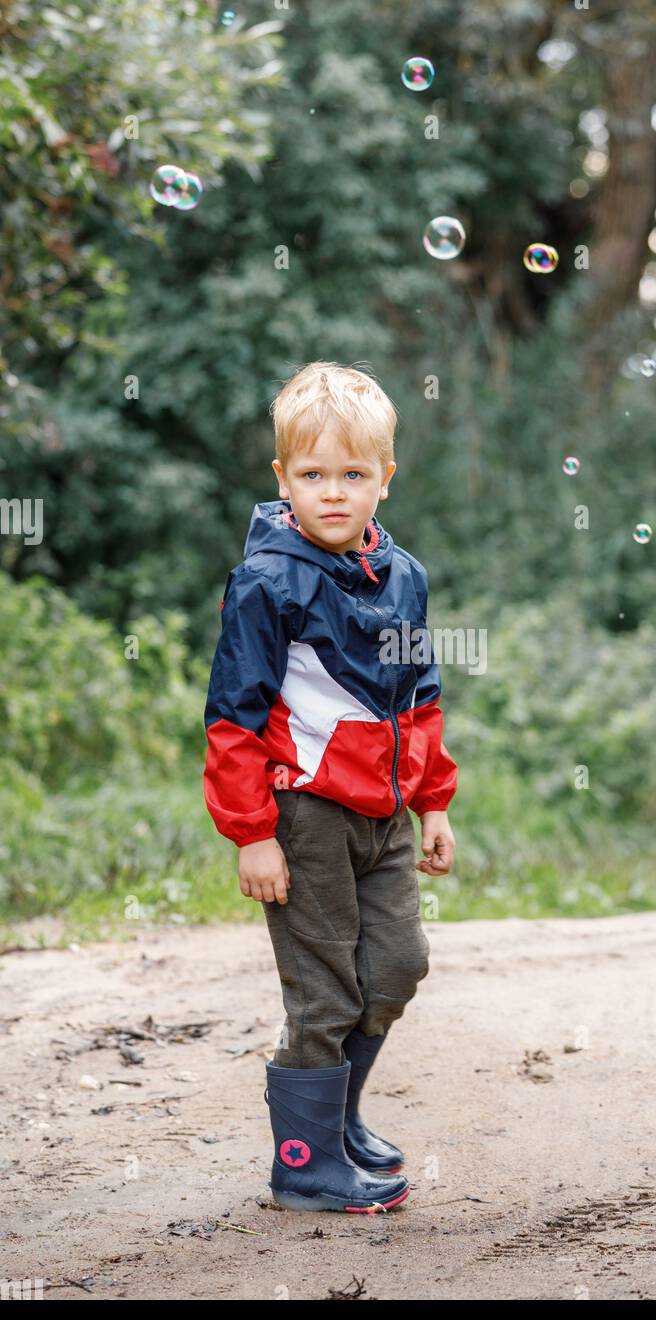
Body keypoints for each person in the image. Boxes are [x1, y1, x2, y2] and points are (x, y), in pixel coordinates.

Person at [202, 361, 458, 1214]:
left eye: (354, 475)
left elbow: (418, 696)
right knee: (324, 989)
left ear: (386, 476)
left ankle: (340, 1121)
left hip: (384, 815)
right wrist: (252, 831)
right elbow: (233, 720)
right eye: (313, 476)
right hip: (304, 814)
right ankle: (304, 1165)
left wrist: (434, 803)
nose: (334, 494)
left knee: (395, 967)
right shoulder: (269, 582)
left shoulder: (406, 578)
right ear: (283, 480)